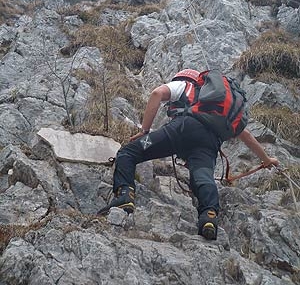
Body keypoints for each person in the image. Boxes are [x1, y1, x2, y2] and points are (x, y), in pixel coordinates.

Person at [98, 69, 279, 240]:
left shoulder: (185, 85)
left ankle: (125, 195)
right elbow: (245, 135)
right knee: (202, 177)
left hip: (182, 129)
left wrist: (145, 130)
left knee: (130, 151)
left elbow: (156, 94)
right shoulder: (215, 106)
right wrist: (266, 160)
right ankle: (209, 215)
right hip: (209, 143)